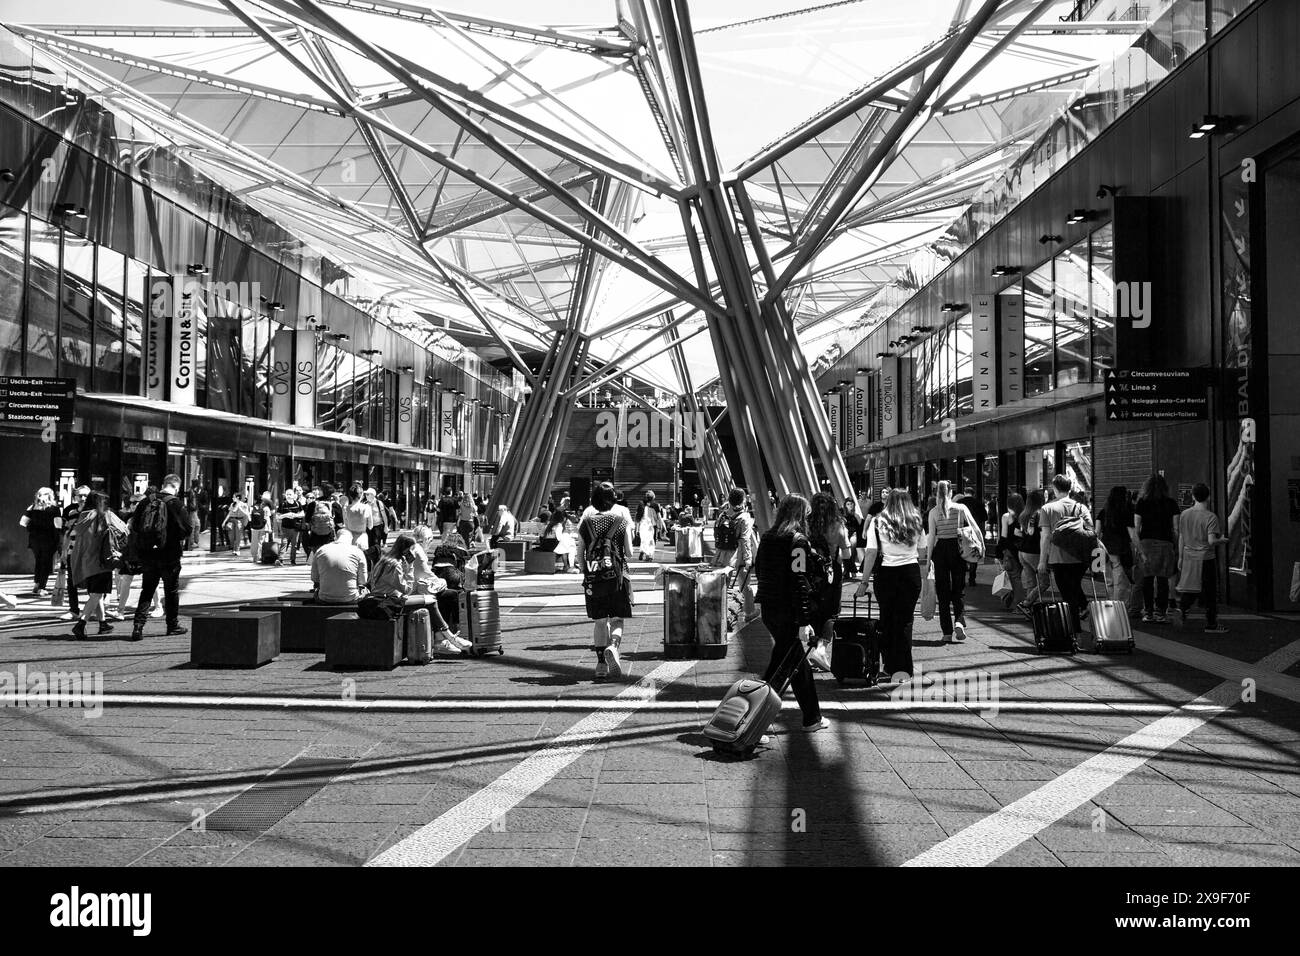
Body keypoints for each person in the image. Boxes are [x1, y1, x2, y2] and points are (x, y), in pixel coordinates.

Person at [755, 493, 827, 733]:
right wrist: (804, 620)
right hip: (789, 613)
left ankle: (812, 717)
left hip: (769, 608)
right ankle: (754, 719)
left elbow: (759, 569)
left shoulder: (767, 537)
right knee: (780, 669)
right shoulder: (798, 541)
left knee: (795, 662)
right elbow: (799, 581)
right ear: (799, 515)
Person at [856, 488, 927, 682]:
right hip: (910, 574)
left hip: (887, 574)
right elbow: (922, 552)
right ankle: (903, 669)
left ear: (888, 503)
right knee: (905, 621)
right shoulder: (917, 522)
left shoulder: (878, 522)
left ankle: (888, 665)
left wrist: (864, 582)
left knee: (887, 620)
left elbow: (871, 553)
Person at [368, 534, 469, 654]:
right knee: (430, 600)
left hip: (387, 599)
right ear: (405, 550)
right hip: (390, 602)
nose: (413, 552)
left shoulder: (385, 561)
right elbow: (407, 589)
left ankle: (443, 639)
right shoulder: (395, 565)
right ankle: (448, 638)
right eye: (411, 549)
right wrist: (410, 568)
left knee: (430, 599)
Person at [577, 481, 634, 680]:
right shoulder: (620, 520)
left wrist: (586, 572)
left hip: (594, 578)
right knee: (617, 618)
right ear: (613, 500)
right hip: (617, 576)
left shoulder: (586, 522)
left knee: (600, 621)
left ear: (594, 500)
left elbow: (580, 552)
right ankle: (614, 647)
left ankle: (601, 664)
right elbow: (629, 552)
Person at [129, 474, 191, 641]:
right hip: (170, 554)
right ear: (176, 487)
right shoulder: (176, 503)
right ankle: (172, 625)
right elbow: (187, 529)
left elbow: (135, 526)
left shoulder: (145, 501)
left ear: (163, 483)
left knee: (147, 589)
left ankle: (138, 626)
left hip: (148, 554)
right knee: (171, 590)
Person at [67, 492, 127, 638]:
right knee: (97, 594)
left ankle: (103, 624)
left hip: (85, 561)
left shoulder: (83, 516)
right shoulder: (105, 515)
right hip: (102, 561)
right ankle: (81, 624)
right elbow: (124, 529)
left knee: (96, 594)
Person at [1037, 474, 1095, 624]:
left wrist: (1042, 561)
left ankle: (1074, 632)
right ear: (1070, 488)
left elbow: (1045, 537)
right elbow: (1091, 531)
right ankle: (1079, 621)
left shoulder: (1047, 508)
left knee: (1067, 594)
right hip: (1080, 558)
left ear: (1055, 489)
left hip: (1058, 558)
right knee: (1074, 589)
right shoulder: (1081, 507)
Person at [926, 480, 976, 643]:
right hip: (957, 549)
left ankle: (946, 631)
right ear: (951, 493)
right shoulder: (961, 508)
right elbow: (973, 528)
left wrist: (928, 560)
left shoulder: (933, 511)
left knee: (942, 591)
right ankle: (959, 622)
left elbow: (932, 537)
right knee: (959, 587)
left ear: (937, 494)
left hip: (940, 550)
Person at [1174, 483, 1228, 634]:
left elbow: (1182, 537)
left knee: (1191, 587)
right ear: (1208, 497)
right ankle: (1211, 624)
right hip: (1206, 558)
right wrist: (1222, 540)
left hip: (1189, 557)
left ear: (1192, 496)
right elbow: (1211, 541)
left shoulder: (1185, 514)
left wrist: (1180, 557)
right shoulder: (1210, 517)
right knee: (1210, 591)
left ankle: (1182, 609)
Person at [806, 493, 848, 673]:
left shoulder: (806, 524)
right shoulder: (838, 525)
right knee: (832, 612)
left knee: (815, 610)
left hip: (811, 572)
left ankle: (815, 650)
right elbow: (846, 554)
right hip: (832, 572)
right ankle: (821, 650)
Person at [1134, 472, 1180, 624]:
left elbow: (1137, 528)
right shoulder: (1171, 503)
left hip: (1146, 543)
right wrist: (1176, 545)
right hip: (1165, 543)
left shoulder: (1141, 502)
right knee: (1163, 579)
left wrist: (1138, 547)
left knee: (1147, 579)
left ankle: (1148, 612)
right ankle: (1160, 612)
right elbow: (1176, 528)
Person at [1097, 486, 1137, 607]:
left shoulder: (1103, 512)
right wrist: (1139, 550)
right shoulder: (1126, 513)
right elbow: (1132, 534)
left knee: (1109, 581)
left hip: (1104, 549)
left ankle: (1109, 605)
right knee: (1120, 581)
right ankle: (1118, 607)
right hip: (1120, 549)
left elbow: (1097, 533)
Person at [19, 486, 62, 596]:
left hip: (35, 539)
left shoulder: (32, 508)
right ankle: (41, 587)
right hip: (49, 539)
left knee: (38, 561)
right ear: (50, 496)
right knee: (46, 563)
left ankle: (37, 584)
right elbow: (58, 525)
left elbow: (22, 522)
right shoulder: (55, 509)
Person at [311, 528, 369, 604]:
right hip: (351, 598)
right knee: (366, 591)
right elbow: (363, 580)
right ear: (351, 539)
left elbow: (314, 578)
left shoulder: (321, 550)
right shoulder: (357, 551)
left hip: (324, 598)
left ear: (336, 537)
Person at [60, 486, 89, 621]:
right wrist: (64, 552)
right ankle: (74, 610)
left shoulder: (93, 513)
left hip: (88, 553)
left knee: (91, 582)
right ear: (75, 497)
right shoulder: (71, 513)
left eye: (85, 495)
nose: (82, 498)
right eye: (80, 495)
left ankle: (94, 609)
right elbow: (66, 533)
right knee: (71, 582)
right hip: (72, 551)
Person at [1017, 490, 1045, 617]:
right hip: (1034, 551)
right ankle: (1026, 604)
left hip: (1022, 551)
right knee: (1044, 582)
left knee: (1031, 583)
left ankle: (1029, 610)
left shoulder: (1024, 514)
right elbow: (1043, 535)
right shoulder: (1040, 514)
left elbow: (1019, 533)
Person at [995, 493, 1024, 608]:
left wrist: (998, 554)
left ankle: (1017, 604)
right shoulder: (1024, 516)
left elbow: (1003, 537)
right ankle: (1019, 602)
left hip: (1010, 551)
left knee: (1012, 577)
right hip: (1022, 551)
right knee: (1019, 577)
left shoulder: (1006, 517)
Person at [960, 487, 988, 586]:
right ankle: (972, 579)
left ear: (964, 493)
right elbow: (984, 518)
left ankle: (961, 579)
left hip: (961, 531)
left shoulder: (959, 503)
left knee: (962, 554)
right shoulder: (978, 503)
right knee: (973, 556)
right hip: (974, 532)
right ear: (973, 493)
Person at [303, 484, 342, 555]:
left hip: (315, 538)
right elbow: (340, 523)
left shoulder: (312, 504)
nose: (318, 491)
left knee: (317, 559)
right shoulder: (335, 505)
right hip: (330, 537)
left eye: (320, 490)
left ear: (323, 492)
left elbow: (307, 521)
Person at [633, 491, 664, 561]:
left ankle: (642, 551)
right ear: (653, 497)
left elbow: (637, 517)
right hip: (652, 525)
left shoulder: (641, 504)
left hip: (643, 524)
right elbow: (659, 517)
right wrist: (662, 526)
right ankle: (649, 555)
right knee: (651, 540)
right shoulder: (655, 505)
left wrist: (636, 528)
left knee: (644, 539)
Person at [277, 488, 305, 565]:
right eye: (287, 494)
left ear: (293, 495)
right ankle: (280, 559)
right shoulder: (282, 504)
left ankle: (293, 560)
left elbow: (302, 514)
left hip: (295, 527)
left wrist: (295, 515)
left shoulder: (298, 503)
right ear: (285, 495)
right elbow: (277, 516)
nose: (289, 496)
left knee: (294, 545)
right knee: (284, 543)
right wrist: (286, 515)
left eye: (290, 494)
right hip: (285, 527)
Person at [342, 484, 370, 552]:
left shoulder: (346, 509)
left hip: (350, 539)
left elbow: (346, 525)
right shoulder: (366, 507)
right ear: (361, 495)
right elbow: (370, 526)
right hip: (362, 537)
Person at [248, 492, 274, 563]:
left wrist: (251, 525)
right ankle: (260, 556)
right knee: (261, 542)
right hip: (263, 527)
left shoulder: (252, 508)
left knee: (254, 542)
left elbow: (249, 517)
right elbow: (267, 518)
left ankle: (254, 557)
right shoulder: (265, 508)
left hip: (254, 528)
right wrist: (269, 528)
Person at [842, 497, 863, 581]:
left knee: (853, 543)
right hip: (845, 534)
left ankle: (847, 570)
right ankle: (851, 569)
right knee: (845, 546)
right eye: (848, 504)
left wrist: (855, 515)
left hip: (854, 534)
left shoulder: (856, 515)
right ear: (845, 506)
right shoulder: (843, 515)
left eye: (851, 504)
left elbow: (861, 527)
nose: (850, 506)